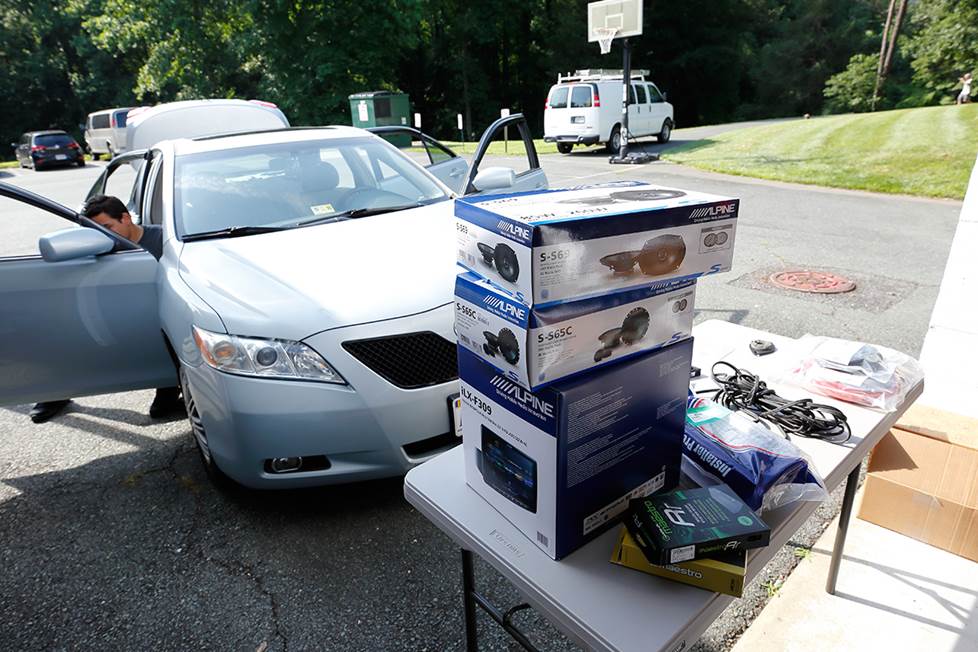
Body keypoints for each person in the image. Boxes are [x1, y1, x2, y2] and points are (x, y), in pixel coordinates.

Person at [29, 195, 183, 423]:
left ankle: (168, 393)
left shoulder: (165, 239)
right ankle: (56, 392)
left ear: (126, 218)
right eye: (96, 231)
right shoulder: (97, 247)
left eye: (107, 227)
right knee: (61, 332)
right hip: (110, 313)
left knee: (161, 409)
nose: (104, 236)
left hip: (157, 318)